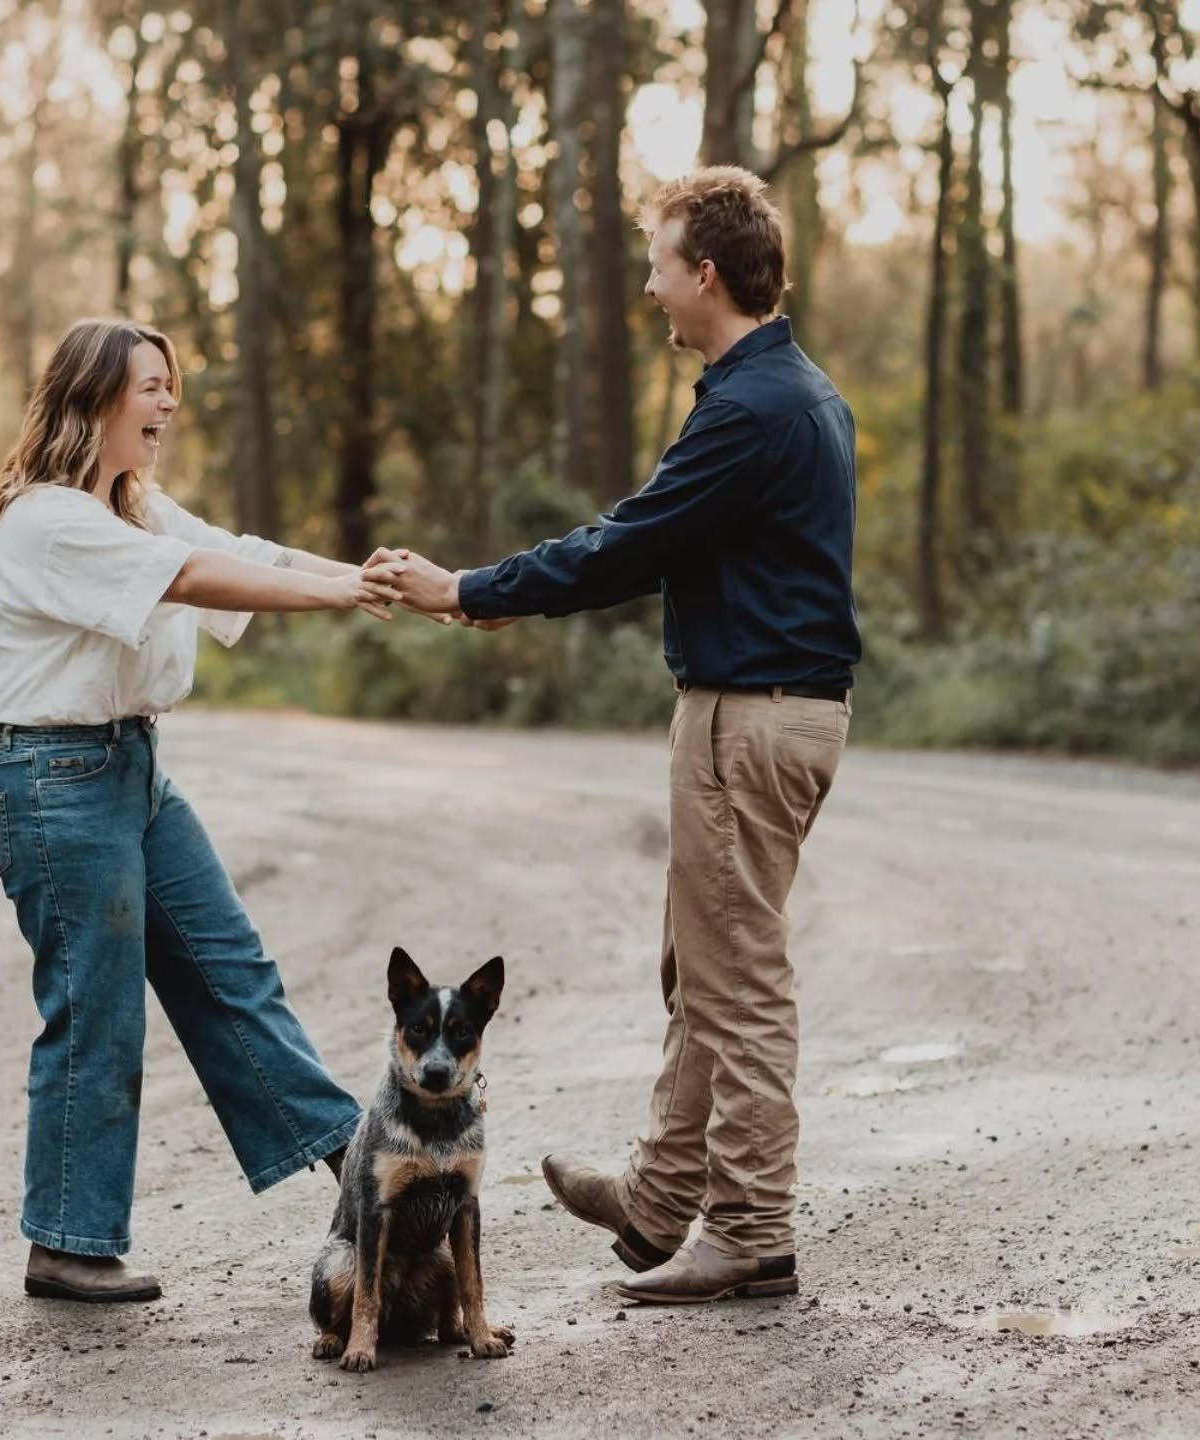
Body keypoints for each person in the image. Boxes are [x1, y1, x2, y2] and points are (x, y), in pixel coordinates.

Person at [391, 167, 861, 1305]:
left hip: (745, 722)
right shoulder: (796, 393)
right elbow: (667, 543)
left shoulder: (754, 408)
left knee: (737, 983)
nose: (649, 286)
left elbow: (630, 540)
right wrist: (506, 594)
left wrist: (468, 588)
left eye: (657, 263)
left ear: (706, 272)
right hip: (770, 714)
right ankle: (660, 1200)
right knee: (699, 968)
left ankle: (748, 1227)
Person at [0, 316, 419, 1303]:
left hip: (132, 772)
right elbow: (188, 578)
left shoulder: (136, 508)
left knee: (231, 971)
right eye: (150, 386)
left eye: (172, 385)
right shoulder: (48, 520)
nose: (169, 402)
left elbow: (238, 552)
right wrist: (347, 597)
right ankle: (68, 1242)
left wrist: (366, 579)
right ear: (93, 395)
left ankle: (360, 1171)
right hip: (53, 783)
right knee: (98, 1013)